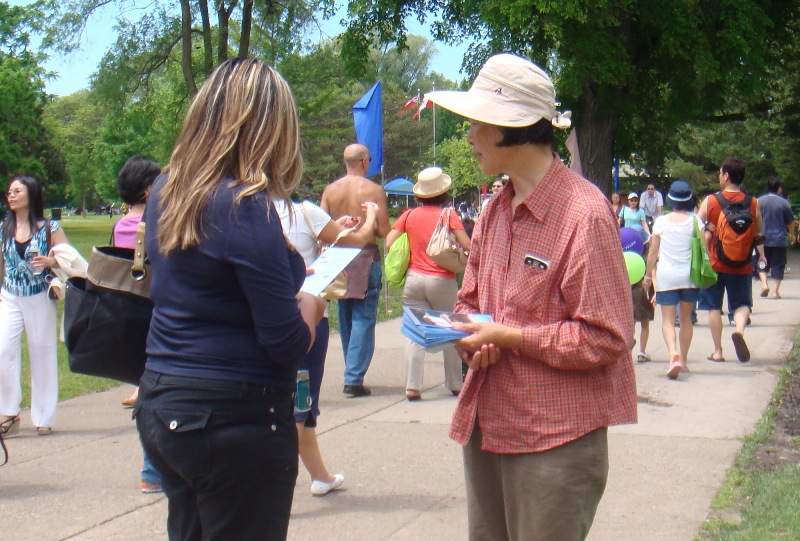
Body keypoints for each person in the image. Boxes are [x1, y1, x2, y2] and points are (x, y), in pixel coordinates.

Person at [427, 53, 637, 541]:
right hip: (490, 423)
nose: (469, 136)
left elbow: (608, 337)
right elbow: (469, 300)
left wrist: (514, 337)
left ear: (512, 127)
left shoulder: (584, 214)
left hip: (555, 439)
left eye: (477, 123)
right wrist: (470, 336)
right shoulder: (495, 208)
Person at [134, 58, 326, 541]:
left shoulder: (167, 190)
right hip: (232, 415)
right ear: (267, 129)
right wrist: (312, 305)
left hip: (164, 397)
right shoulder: (244, 206)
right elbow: (285, 343)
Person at [276, 196, 378, 496]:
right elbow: (358, 240)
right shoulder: (303, 211)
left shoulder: (253, 212)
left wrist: (336, 227)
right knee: (300, 400)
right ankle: (273, 484)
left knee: (303, 403)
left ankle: (321, 476)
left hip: (272, 315)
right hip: (306, 317)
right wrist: (372, 214)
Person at [385, 167, 471, 401]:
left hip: (414, 278)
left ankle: (412, 386)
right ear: (443, 192)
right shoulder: (448, 216)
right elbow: (467, 244)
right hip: (442, 279)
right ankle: (455, 384)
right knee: (451, 329)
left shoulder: (408, 216)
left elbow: (389, 242)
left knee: (415, 331)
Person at [0, 175, 69, 437]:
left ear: (32, 194)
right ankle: (9, 412)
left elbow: (69, 258)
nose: (11, 195)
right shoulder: (4, 228)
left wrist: (52, 262)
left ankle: (43, 416)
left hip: (39, 295)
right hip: (10, 296)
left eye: (17, 191)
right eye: (9, 192)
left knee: (42, 354)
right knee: (3, 351)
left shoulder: (49, 228)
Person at [320, 143, 391, 397]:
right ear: (364, 162)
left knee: (345, 315)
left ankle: (351, 370)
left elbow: (322, 227)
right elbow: (383, 230)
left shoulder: (330, 190)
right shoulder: (374, 190)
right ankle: (353, 377)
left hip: (338, 257)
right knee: (363, 317)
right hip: (365, 256)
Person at [113, 155, 163, 493]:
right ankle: (153, 469)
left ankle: (151, 471)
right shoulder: (156, 224)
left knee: (147, 390)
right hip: (157, 313)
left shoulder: (120, 226)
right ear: (148, 190)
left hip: (128, 315)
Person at [697, 157, 765, 363]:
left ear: (726, 176)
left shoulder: (711, 201)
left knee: (714, 307)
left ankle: (717, 351)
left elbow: (697, 225)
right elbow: (758, 229)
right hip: (742, 263)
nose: (719, 176)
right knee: (742, 304)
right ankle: (739, 331)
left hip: (715, 264)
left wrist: (708, 231)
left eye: (720, 173)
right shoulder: (753, 203)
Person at [644, 180, 700, 379]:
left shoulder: (661, 222)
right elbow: (704, 248)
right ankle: (683, 360)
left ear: (670, 200)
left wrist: (648, 275)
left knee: (668, 321)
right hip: (689, 276)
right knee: (686, 319)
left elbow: (653, 252)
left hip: (666, 276)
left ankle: (672, 355)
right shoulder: (696, 221)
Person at [756, 176, 795, 299]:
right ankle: (775, 292)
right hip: (779, 239)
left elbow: (754, 219)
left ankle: (764, 284)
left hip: (762, 238)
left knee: (762, 262)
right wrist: (792, 234)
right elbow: (790, 222)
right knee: (778, 265)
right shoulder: (784, 203)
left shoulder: (759, 201)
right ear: (779, 188)